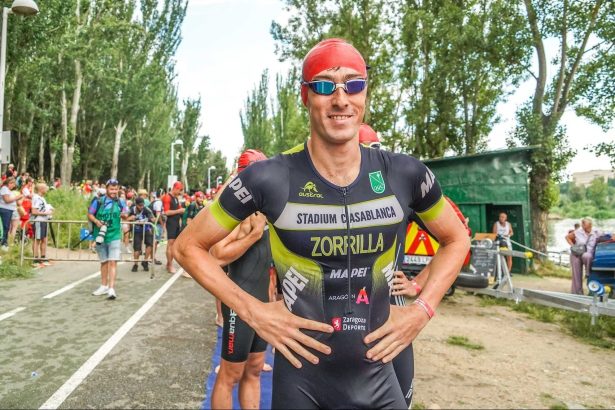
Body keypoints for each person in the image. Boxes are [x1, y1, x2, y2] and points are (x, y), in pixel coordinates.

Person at [175, 38, 469, 408]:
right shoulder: (269, 178)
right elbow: (187, 247)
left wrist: (421, 310)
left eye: (354, 84)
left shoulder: (405, 173)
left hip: (378, 378)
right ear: (305, 95)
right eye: (326, 86)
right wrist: (253, 312)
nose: (341, 99)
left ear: (365, 93)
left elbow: (457, 240)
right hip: (303, 382)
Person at [209, 149, 272, 409]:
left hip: (262, 303)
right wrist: (252, 237)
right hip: (238, 304)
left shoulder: (267, 211)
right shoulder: (235, 214)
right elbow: (217, 255)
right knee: (230, 374)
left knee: (254, 369)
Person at [88, 179, 129, 300]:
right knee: (104, 262)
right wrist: (96, 221)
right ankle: (103, 286)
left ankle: (111, 289)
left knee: (113, 261)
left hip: (114, 235)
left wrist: (124, 214)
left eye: (116, 189)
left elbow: (126, 213)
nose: (114, 191)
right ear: (106, 189)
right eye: (111, 189)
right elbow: (90, 214)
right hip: (100, 235)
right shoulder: (98, 201)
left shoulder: (120, 201)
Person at [568, 217, 599, 295]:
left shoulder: (596, 232)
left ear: (591, 225)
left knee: (587, 256)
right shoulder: (578, 231)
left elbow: (608, 235)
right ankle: (577, 293)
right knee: (576, 274)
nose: (588, 228)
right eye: (585, 226)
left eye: (589, 226)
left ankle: (587, 272)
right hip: (576, 254)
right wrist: (573, 246)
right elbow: (567, 237)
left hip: (587, 254)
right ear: (582, 225)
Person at [162, 181, 185, 273]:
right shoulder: (167, 197)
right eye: (180, 190)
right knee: (170, 244)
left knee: (173, 244)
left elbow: (178, 210)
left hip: (176, 222)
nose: (180, 192)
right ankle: (170, 265)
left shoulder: (175, 198)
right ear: (175, 188)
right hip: (170, 222)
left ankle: (169, 263)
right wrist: (179, 210)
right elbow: (166, 212)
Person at [127, 196, 155, 272]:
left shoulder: (146, 209)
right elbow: (125, 217)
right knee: (137, 249)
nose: (141, 207)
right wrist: (131, 218)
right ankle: (135, 264)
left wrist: (147, 220)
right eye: (140, 205)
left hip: (147, 229)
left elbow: (153, 219)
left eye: (142, 205)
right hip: (137, 230)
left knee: (149, 245)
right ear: (136, 204)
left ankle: (145, 261)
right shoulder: (132, 209)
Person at [31, 183, 53, 266]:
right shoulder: (36, 198)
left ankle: (43, 257)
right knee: (37, 240)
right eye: (45, 188)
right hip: (38, 221)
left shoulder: (42, 198)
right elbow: (34, 211)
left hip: (44, 221)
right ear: (41, 189)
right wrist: (46, 213)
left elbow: (43, 208)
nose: (47, 190)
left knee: (44, 239)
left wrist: (49, 209)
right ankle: (35, 258)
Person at [0, 177, 23, 250]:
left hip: (9, 210)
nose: (14, 186)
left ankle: (5, 242)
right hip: (5, 210)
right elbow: (7, 200)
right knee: (5, 226)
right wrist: (17, 197)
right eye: (13, 184)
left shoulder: (8, 190)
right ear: (10, 183)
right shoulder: (4, 189)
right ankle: (4, 243)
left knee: (7, 227)